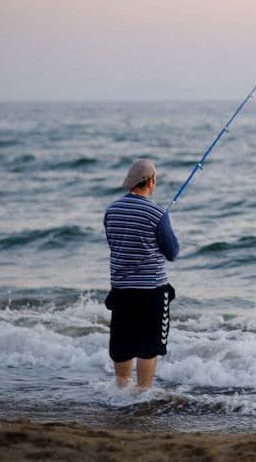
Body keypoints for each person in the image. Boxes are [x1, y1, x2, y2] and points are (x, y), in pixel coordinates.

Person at [104, 159, 179, 390]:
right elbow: (172, 252)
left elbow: (116, 244)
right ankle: (142, 395)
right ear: (151, 181)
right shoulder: (157, 214)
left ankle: (120, 393)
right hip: (151, 292)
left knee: (122, 345)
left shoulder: (111, 210)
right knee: (148, 348)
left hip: (121, 290)